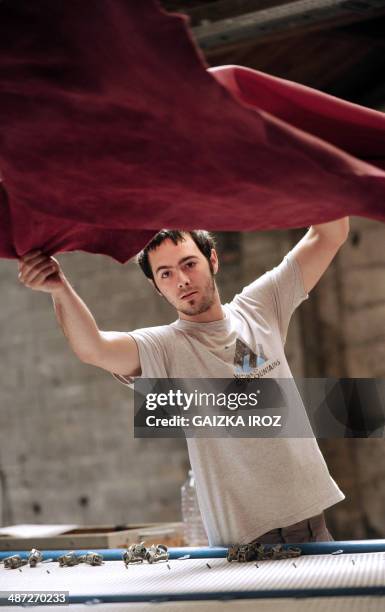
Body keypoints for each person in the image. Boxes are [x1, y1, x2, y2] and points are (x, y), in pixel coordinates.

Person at [18, 218, 349, 546]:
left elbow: (330, 234)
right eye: (166, 274)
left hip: (312, 526)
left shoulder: (259, 307)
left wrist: (310, 172)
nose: (181, 280)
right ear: (156, 286)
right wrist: (59, 288)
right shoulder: (163, 348)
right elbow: (94, 348)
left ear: (213, 260)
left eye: (189, 264)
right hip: (245, 545)